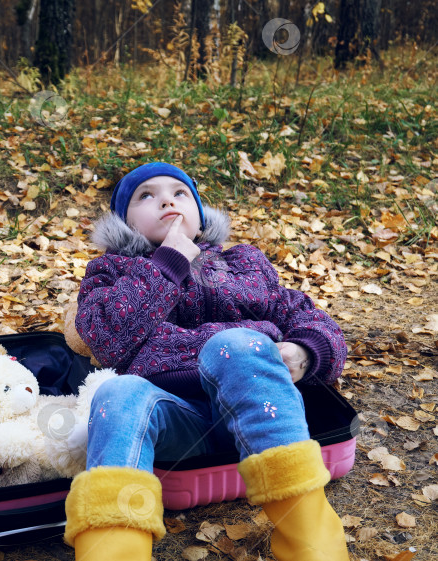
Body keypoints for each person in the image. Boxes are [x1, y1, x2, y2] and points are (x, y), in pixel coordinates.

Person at [64, 162, 349, 561]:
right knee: (118, 390)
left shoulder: (243, 264)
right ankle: (113, 551)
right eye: (146, 195)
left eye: (179, 193)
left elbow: (312, 318)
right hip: (179, 422)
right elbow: (108, 339)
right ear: (124, 223)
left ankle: (313, 548)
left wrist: (304, 353)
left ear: (200, 215)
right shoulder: (112, 273)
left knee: (232, 344)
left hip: (260, 408)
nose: (166, 199)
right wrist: (168, 264)